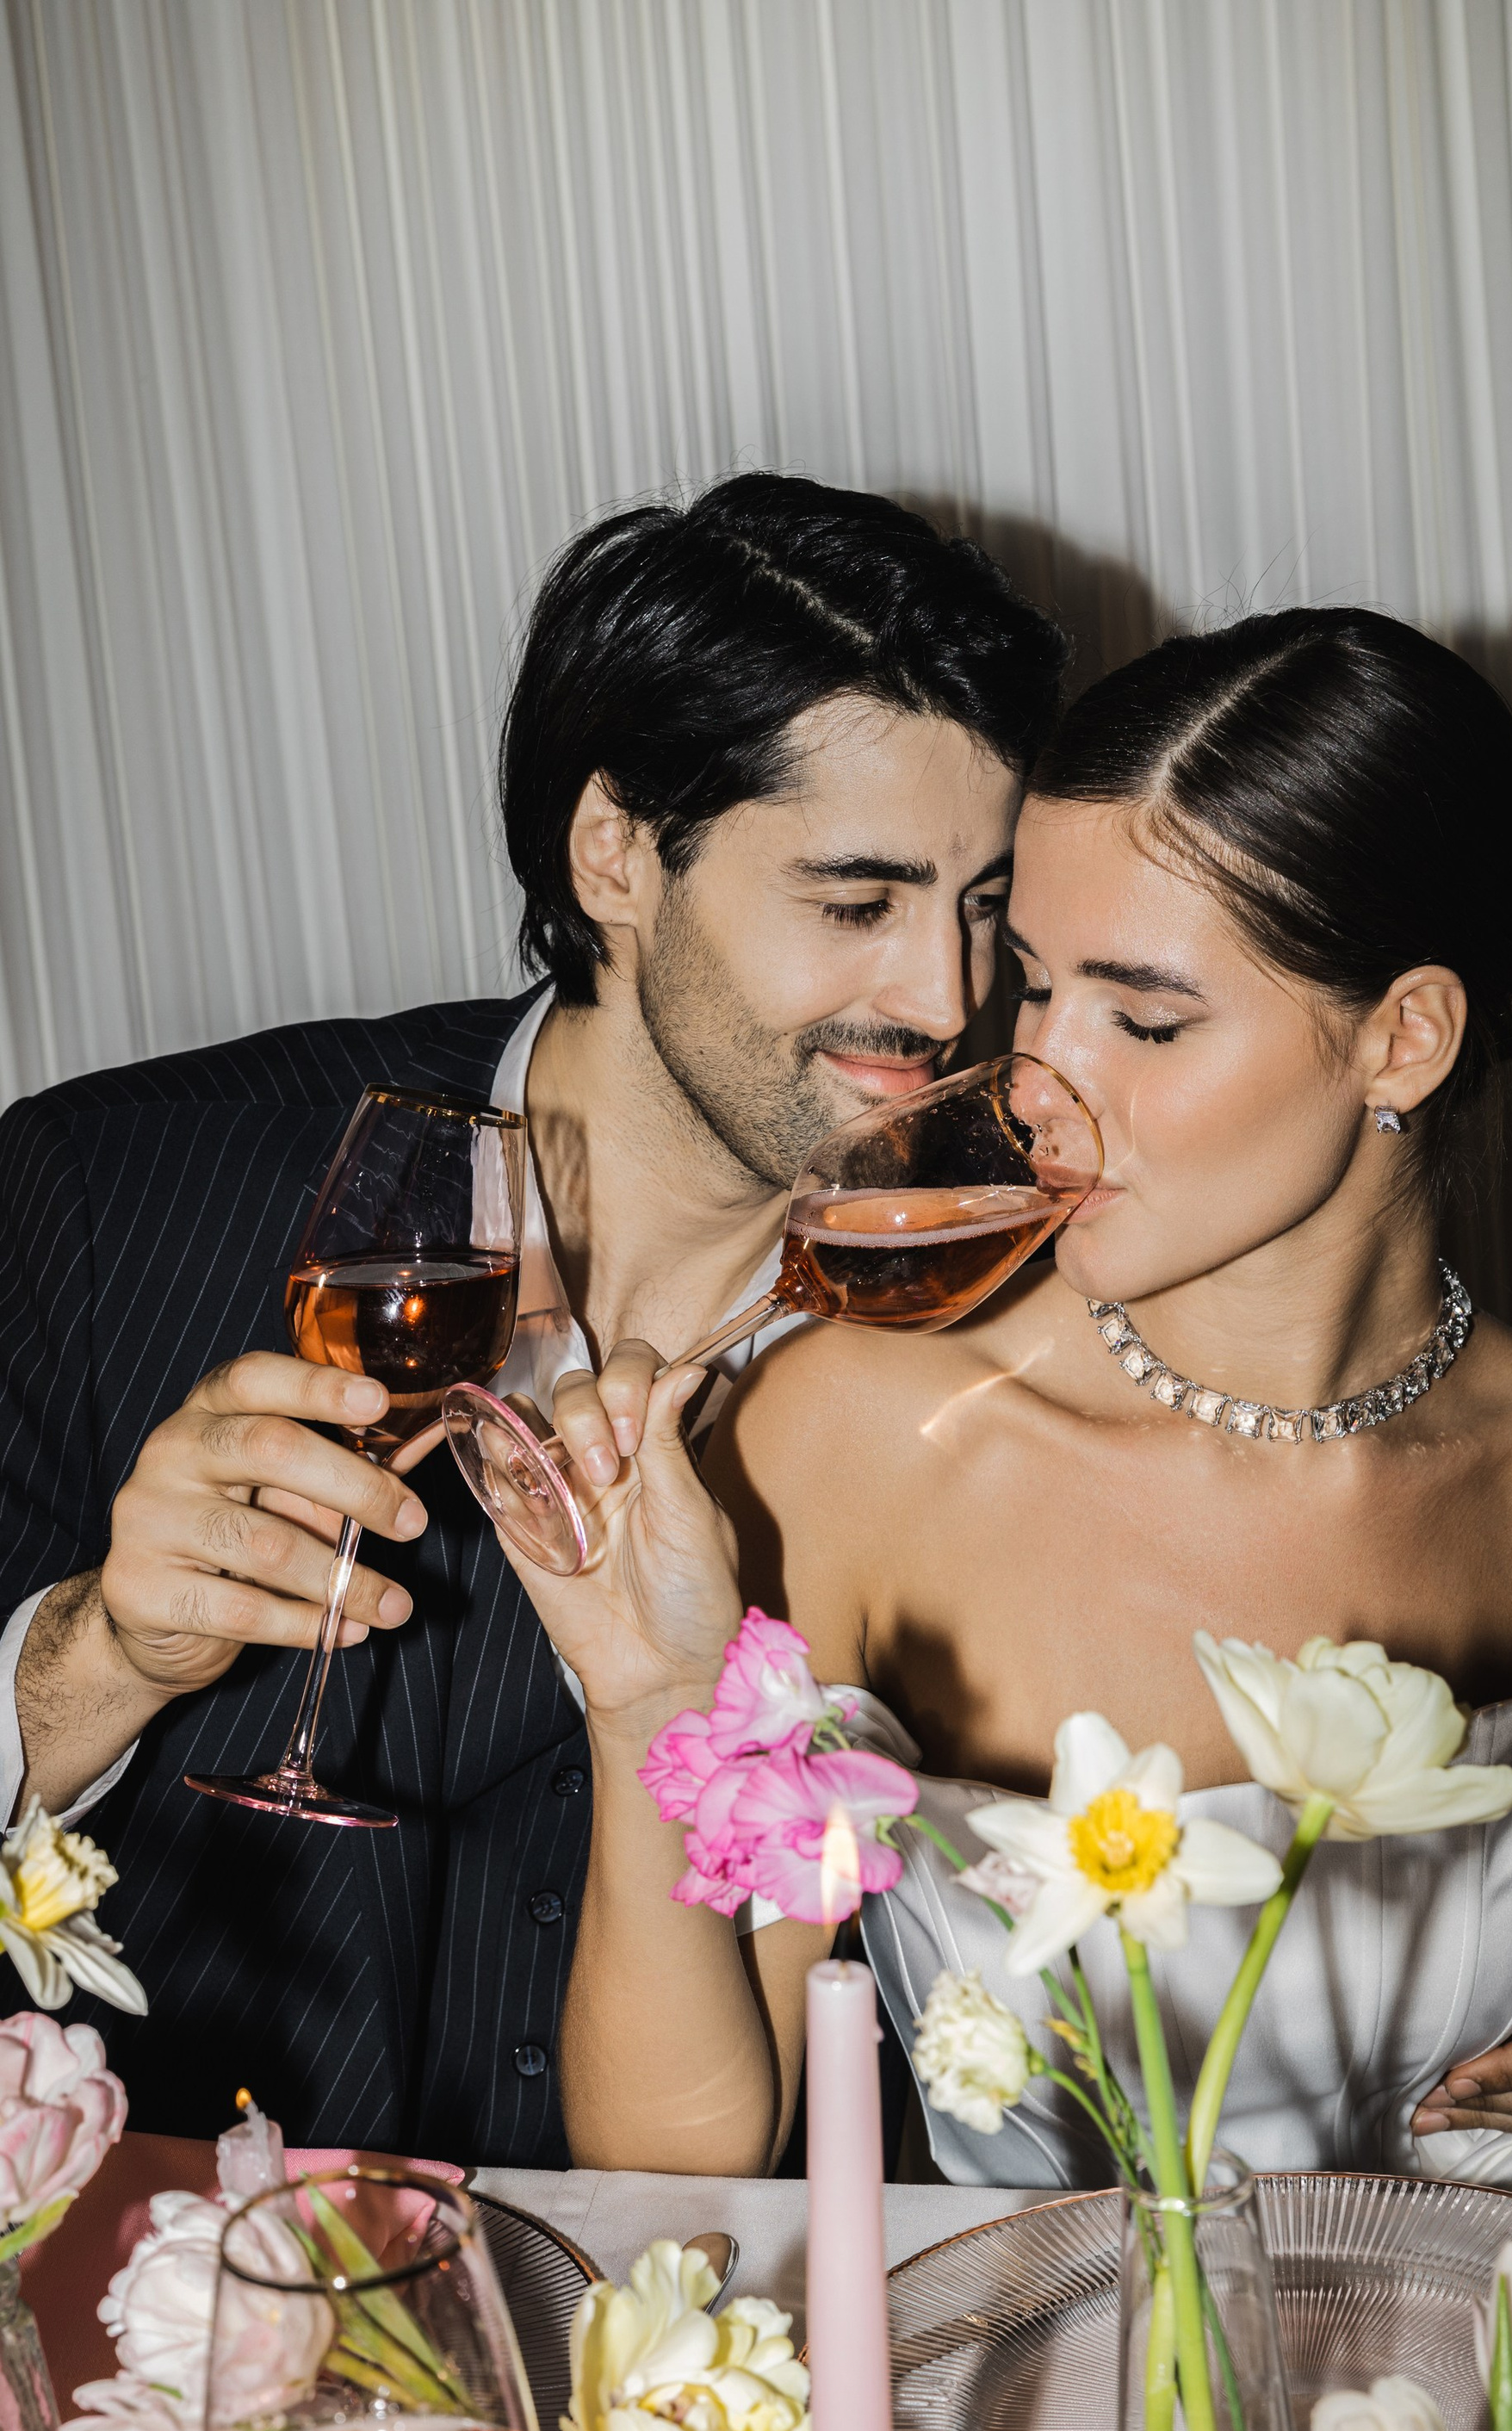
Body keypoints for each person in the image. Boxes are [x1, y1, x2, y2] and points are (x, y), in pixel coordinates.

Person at [510, 607, 1512, 2217]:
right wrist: (647, 1712)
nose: (1038, 1083)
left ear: (1402, 1039)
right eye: (1035, 988)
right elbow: (680, 2173)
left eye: (1147, 1018)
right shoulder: (855, 1439)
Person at [0, 473, 1068, 2160]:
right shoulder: (106, 1191)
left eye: (986, 905)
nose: (948, 998)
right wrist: (99, 1657)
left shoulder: (1015, 1311)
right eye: (857, 904)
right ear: (614, 854)